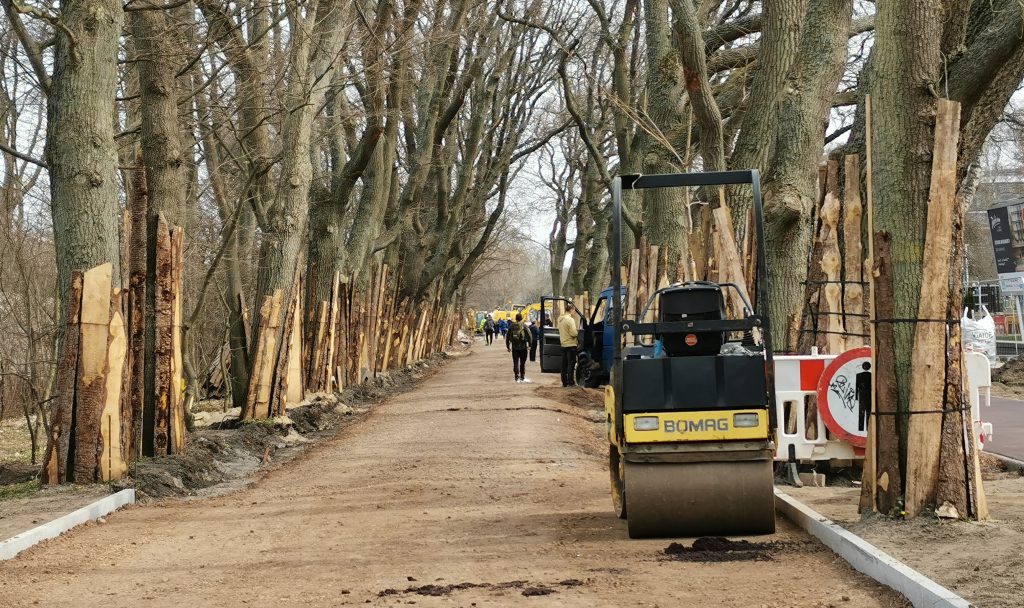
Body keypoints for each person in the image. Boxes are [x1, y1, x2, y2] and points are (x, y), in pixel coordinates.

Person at [506, 312, 534, 382]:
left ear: (515, 318)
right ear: (521, 318)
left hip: (514, 347)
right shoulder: (524, 326)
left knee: (515, 362)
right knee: (522, 363)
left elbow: (507, 337)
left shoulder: (512, 326)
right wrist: (530, 345)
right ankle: (522, 376)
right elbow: (530, 335)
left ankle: (516, 376)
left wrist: (508, 347)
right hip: (523, 347)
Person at [558, 304, 579, 387]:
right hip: (571, 344)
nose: (574, 312)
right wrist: (577, 332)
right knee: (571, 363)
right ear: (571, 310)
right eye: (574, 311)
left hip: (563, 344)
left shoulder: (560, 319)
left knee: (564, 364)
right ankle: (571, 382)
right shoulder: (570, 320)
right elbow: (573, 333)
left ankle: (564, 382)